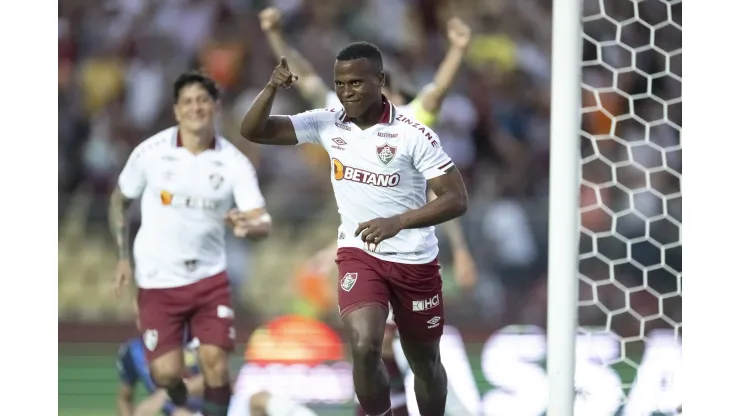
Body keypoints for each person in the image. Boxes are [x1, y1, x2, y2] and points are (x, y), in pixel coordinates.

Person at [239, 42, 469, 416]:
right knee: (364, 345)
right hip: (360, 253)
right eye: (341, 84)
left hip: (415, 260)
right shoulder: (327, 122)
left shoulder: (413, 134)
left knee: (424, 364)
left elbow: (457, 198)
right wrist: (271, 90)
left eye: (356, 83)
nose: (347, 92)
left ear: (379, 80)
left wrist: (399, 222)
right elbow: (254, 130)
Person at [258, 7, 477, 291]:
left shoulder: (409, 120)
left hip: (405, 238)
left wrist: (458, 49)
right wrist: (275, 35)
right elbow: (306, 78)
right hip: (358, 232)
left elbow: (436, 93)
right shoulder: (341, 113)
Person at [108, 70, 273, 416]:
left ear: (215, 106)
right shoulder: (150, 152)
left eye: (202, 100)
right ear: (176, 110)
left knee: (214, 362)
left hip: (208, 277)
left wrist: (248, 224)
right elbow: (119, 200)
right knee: (165, 373)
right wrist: (123, 257)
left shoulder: (234, 163)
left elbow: (262, 220)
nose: (195, 108)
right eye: (187, 101)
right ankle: (176, 395)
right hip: (157, 278)